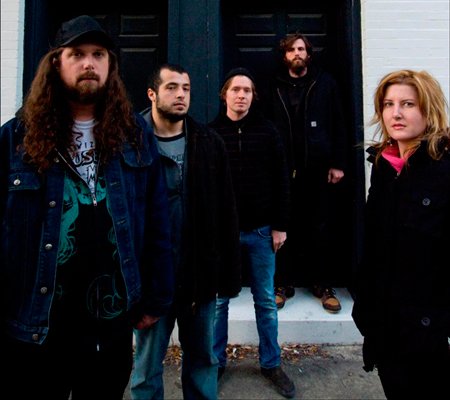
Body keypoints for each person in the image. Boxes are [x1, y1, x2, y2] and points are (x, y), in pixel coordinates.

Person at [0, 15, 174, 400]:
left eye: (98, 54)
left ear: (111, 66)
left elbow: (157, 219)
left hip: (109, 330)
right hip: (36, 328)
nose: (89, 63)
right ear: (56, 63)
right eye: (77, 54)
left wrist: (156, 297)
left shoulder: (135, 135)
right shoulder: (16, 138)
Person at [130, 63, 241, 400]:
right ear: (152, 94)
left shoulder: (208, 142)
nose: (181, 95)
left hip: (198, 277)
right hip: (152, 280)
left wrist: (227, 276)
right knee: (146, 369)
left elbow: (226, 211)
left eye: (186, 88)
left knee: (203, 361)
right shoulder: (130, 143)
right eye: (172, 87)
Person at [352, 69, 450, 399]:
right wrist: (364, 307)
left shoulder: (443, 169)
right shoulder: (383, 167)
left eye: (408, 104)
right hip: (385, 326)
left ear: (428, 109)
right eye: (388, 104)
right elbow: (374, 247)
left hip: (428, 332)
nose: (396, 113)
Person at [209, 67, 294, 399]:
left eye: (247, 90)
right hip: (223, 235)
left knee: (265, 301)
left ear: (253, 96)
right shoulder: (211, 133)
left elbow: (282, 181)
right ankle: (215, 363)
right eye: (236, 89)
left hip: (261, 232)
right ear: (224, 95)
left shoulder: (268, 132)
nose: (241, 95)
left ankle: (271, 363)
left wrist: (280, 226)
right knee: (219, 303)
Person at [264, 32, 348, 312]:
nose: (297, 53)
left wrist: (338, 162)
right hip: (283, 170)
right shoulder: (273, 85)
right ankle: (282, 284)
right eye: (291, 50)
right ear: (285, 56)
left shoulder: (325, 83)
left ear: (309, 55)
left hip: (318, 169)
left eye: (301, 49)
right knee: (282, 227)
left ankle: (323, 285)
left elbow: (338, 122)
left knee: (320, 227)